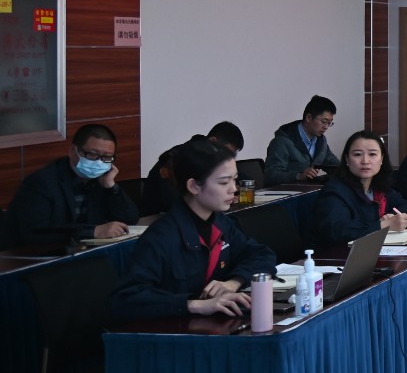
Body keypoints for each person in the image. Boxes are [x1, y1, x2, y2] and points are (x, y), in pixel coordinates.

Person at [111, 137, 276, 320]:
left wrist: (234, 282)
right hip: (175, 329)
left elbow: (262, 255)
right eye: (223, 182)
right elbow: (126, 300)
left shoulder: (221, 223)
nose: (233, 189)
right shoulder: (161, 237)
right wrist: (193, 305)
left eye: (234, 180)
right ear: (193, 186)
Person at [1, 123, 138, 250]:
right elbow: (35, 233)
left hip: (82, 253)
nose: (99, 162)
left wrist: (111, 187)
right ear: (73, 151)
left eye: (107, 157)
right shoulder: (41, 182)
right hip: (30, 257)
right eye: (92, 154)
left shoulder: (101, 180)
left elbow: (130, 219)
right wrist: (92, 232)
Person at [311, 131, 407, 249]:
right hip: (340, 255)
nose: (365, 161)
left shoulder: (379, 187)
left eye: (372, 154)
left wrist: (392, 217)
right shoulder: (335, 191)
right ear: (347, 159)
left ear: (382, 159)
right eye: (357, 154)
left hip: (372, 249)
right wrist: (383, 225)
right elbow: (338, 231)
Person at [142, 121, 244, 217]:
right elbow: (172, 202)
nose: (228, 157)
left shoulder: (211, 159)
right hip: (158, 217)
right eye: (226, 151)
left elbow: (241, 178)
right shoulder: (178, 158)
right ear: (212, 141)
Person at [264, 95, 340, 185]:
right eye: (324, 121)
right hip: (288, 192)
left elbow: (333, 163)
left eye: (329, 123)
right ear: (309, 118)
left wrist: (349, 168)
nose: (326, 127)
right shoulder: (282, 142)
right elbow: (270, 176)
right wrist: (299, 176)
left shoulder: (321, 141)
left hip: (311, 190)